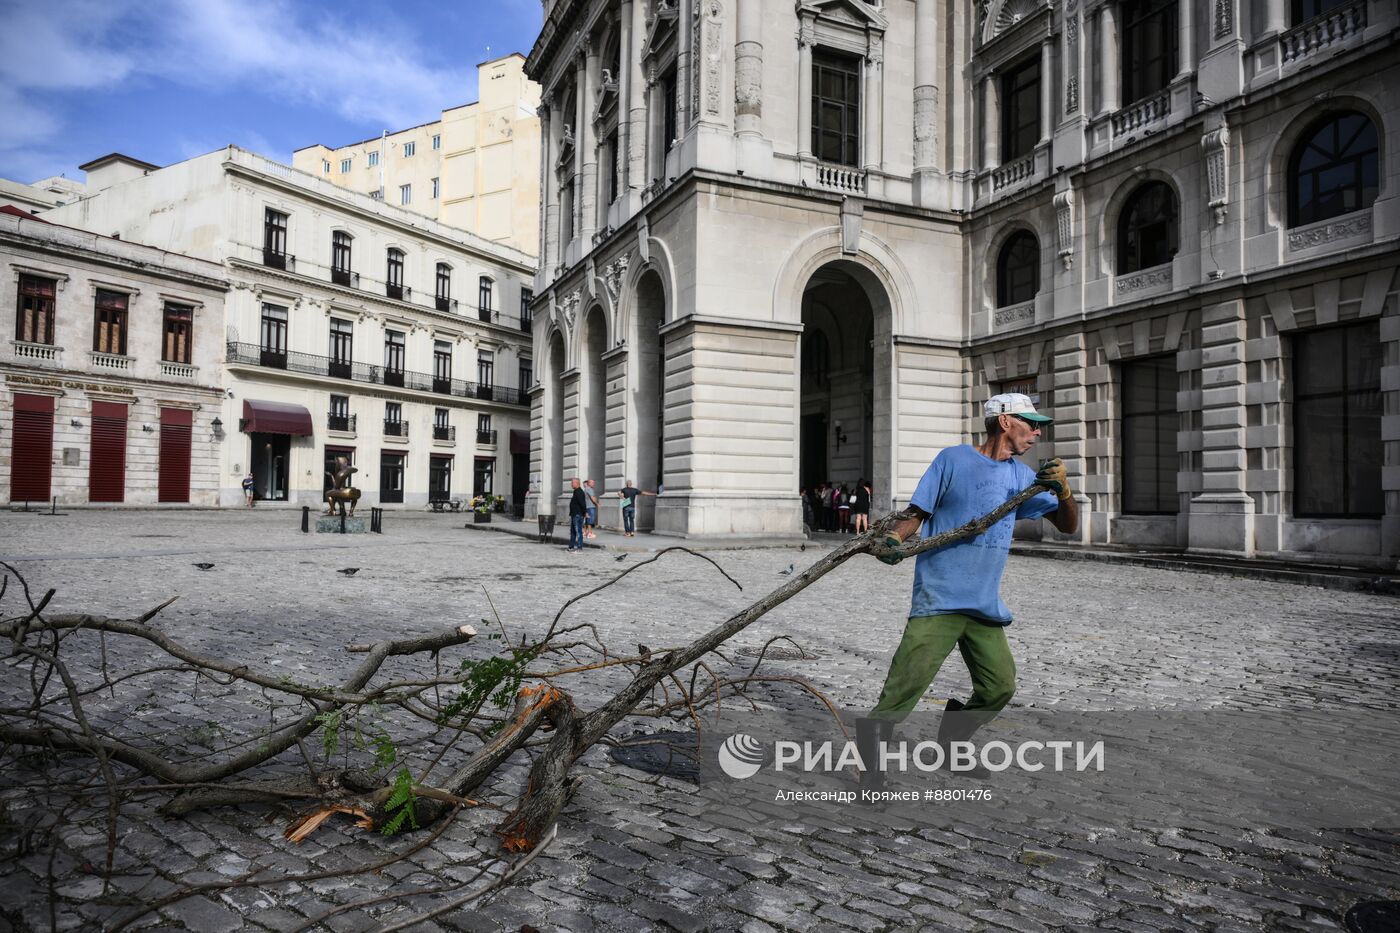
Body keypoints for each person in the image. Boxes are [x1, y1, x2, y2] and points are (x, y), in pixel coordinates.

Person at [858, 393, 1078, 786]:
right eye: (1031, 422)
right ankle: (870, 771)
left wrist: (1063, 490)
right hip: (939, 598)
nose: (1038, 431)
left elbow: (1068, 526)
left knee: (999, 687)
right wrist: (892, 540)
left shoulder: (1022, 476)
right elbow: (916, 514)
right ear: (1006, 422)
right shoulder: (953, 460)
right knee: (902, 691)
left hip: (983, 604)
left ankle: (951, 746)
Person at [566, 477, 588, 552]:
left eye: (572, 483)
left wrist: (585, 512)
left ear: (577, 483)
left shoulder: (579, 492)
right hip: (574, 514)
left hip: (578, 515)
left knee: (578, 531)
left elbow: (582, 503)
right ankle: (571, 546)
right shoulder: (576, 491)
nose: (571, 484)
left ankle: (579, 548)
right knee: (573, 531)